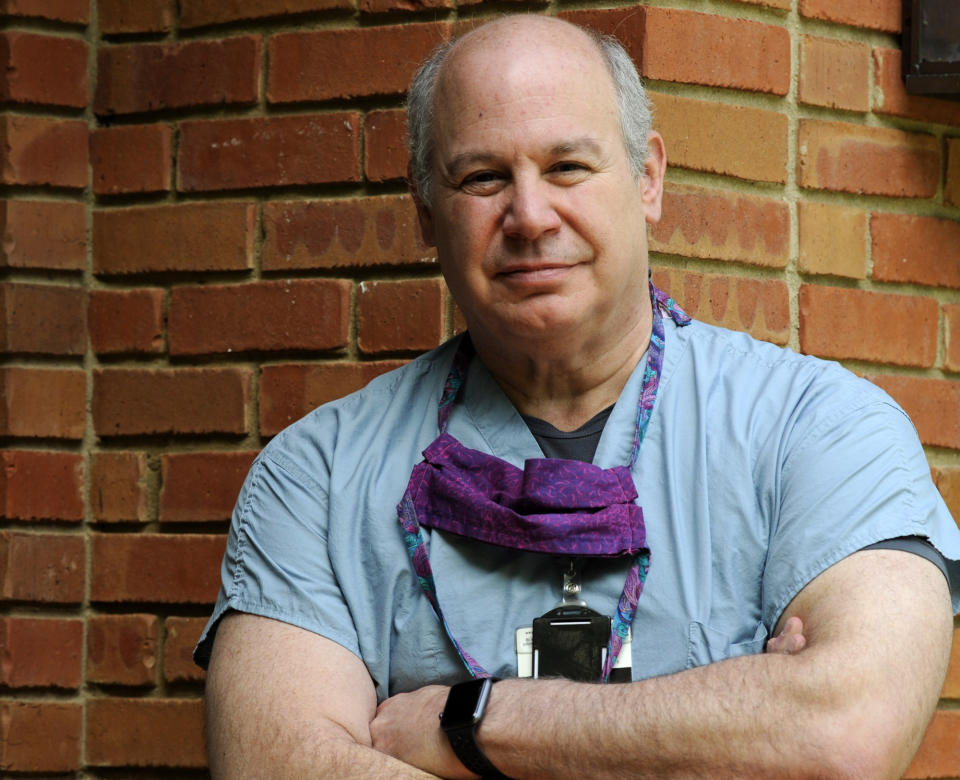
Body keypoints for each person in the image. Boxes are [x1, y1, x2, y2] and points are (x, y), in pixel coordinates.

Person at [196, 14, 960, 779]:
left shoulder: (821, 431)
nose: (530, 217)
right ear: (427, 209)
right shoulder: (314, 478)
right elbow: (278, 765)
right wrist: (731, 723)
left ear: (648, 178)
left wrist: (471, 723)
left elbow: (842, 735)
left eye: (566, 166)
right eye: (483, 178)